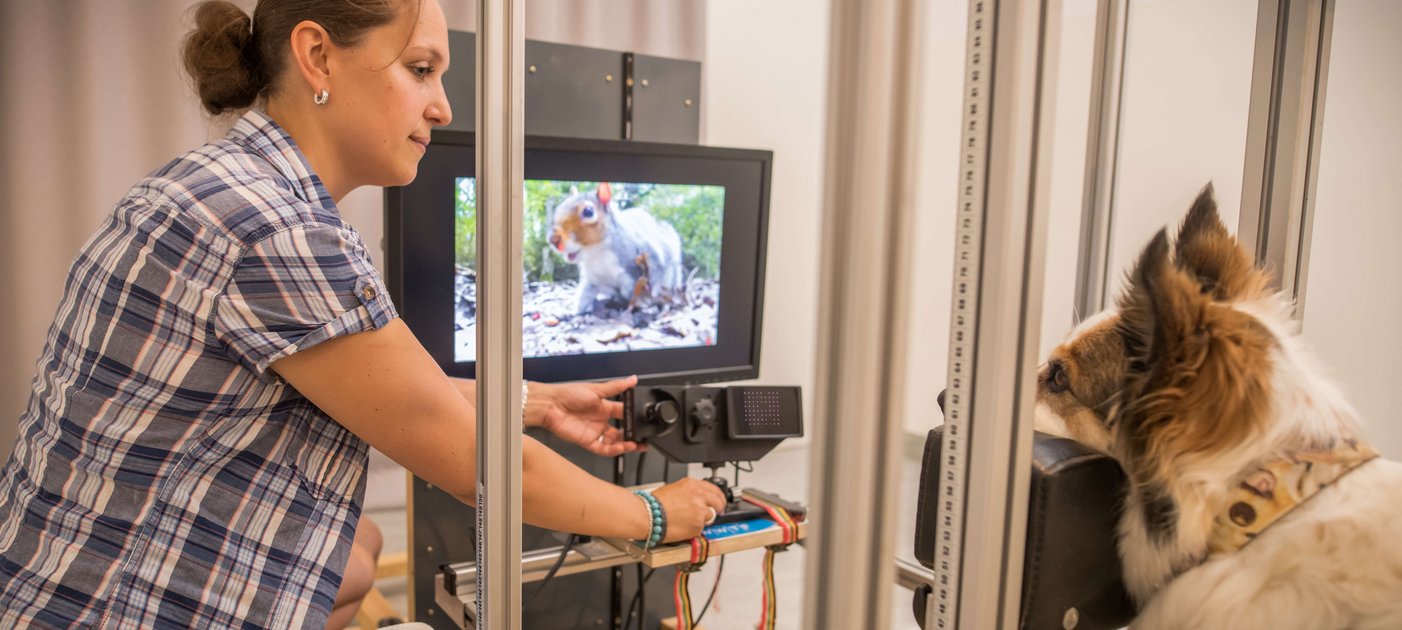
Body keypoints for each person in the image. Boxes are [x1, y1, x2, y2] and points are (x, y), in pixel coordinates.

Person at [0, 0, 726, 627]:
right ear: (317, 55)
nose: (443, 106)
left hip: (47, 575)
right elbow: (472, 458)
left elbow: (387, 396)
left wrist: (538, 402)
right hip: (110, 608)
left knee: (358, 556)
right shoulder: (276, 228)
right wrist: (654, 515)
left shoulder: (217, 182)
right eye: (419, 70)